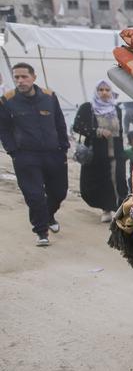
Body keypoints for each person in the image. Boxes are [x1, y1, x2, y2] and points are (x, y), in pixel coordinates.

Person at [0, 62, 70, 246]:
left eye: (24, 77)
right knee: (34, 195)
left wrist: (64, 147)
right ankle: (41, 232)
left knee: (59, 192)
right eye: (16, 77)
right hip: (26, 156)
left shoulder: (49, 97)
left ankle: (49, 215)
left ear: (33, 77)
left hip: (53, 154)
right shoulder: (7, 101)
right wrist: (13, 150)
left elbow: (60, 123)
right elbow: (3, 129)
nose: (20, 81)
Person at [72, 80, 128, 223]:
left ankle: (118, 209)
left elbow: (120, 133)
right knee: (97, 182)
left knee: (118, 181)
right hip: (96, 154)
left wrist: (122, 153)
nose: (104, 93)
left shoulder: (116, 109)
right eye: (101, 90)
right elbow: (77, 126)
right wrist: (97, 131)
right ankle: (105, 209)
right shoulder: (87, 108)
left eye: (107, 90)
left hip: (115, 153)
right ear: (96, 92)